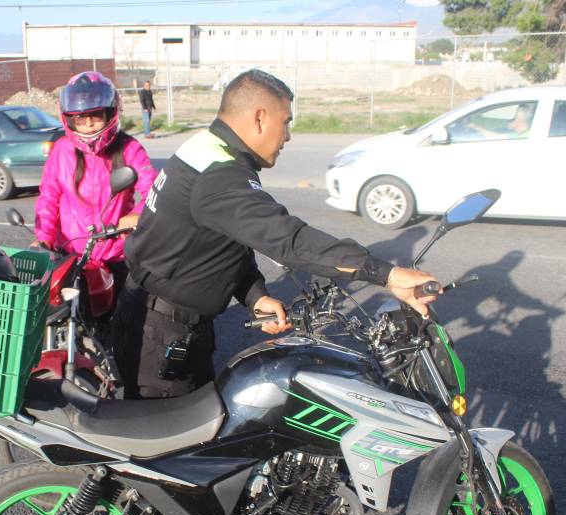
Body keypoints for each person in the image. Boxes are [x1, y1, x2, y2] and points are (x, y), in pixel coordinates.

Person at [112, 69, 438, 399]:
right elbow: (289, 240)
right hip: (162, 336)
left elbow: (224, 242)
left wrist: (254, 295)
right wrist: (387, 274)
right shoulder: (218, 173)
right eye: (286, 122)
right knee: (176, 445)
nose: (288, 137)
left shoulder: (207, 147)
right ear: (259, 118)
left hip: (169, 323)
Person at [33, 71, 158, 292]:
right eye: (81, 118)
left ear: (110, 113)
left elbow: (154, 191)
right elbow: (48, 198)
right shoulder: (62, 151)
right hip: (69, 254)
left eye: (96, 115)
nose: (89, 124)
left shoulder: (129, 148)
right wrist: (43, 239)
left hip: (115, 253)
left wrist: (136, 215)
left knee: (130, 317)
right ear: (71, 119)